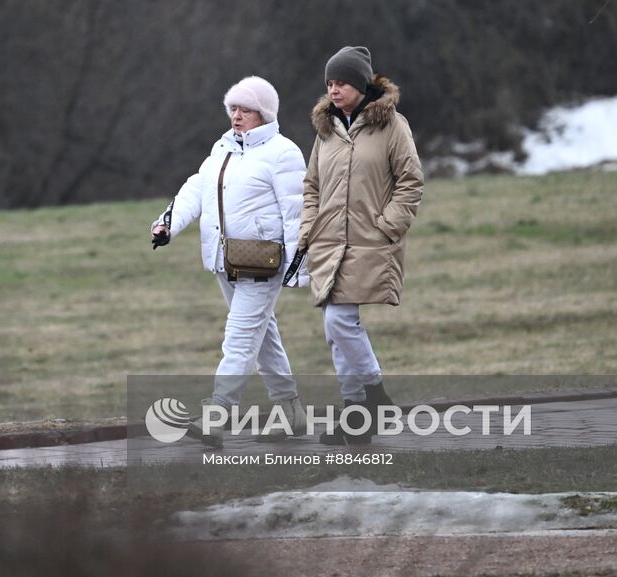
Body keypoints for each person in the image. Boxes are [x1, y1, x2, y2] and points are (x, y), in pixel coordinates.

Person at [150, 76, 307, 445]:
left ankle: (215, 417)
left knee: (238, 340)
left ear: (264, 114)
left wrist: (298, 266)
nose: (237, 116)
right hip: (226, 261)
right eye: (233, 108)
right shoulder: (222, 148)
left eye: (245, 110)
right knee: (262, 337)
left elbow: (298, 213)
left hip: (263, 265)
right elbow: (196, 189)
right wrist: (167, 225)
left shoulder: (284, 153)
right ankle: (291, 413)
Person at [299, 47, 423, 445]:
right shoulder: (326, 130)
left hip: (370, 242)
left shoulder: (393, 126)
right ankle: (358, 416)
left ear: (362, 84)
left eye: (342, 83)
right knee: (334, 331)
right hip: (328, 243)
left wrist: (388, 227)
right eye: (329, 84)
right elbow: (312, 186)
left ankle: (376, 395)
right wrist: (308, 230)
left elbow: (410, 181)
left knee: (340, 322)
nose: (333, 90)